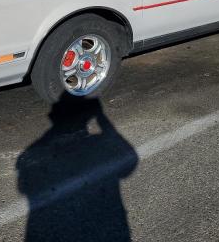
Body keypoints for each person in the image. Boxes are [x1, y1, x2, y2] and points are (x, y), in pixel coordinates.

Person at [17, 94, 138, 241]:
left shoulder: (34, 153)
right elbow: (129, 161)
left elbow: (24, 186)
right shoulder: (97, 144)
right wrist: (101, 117)